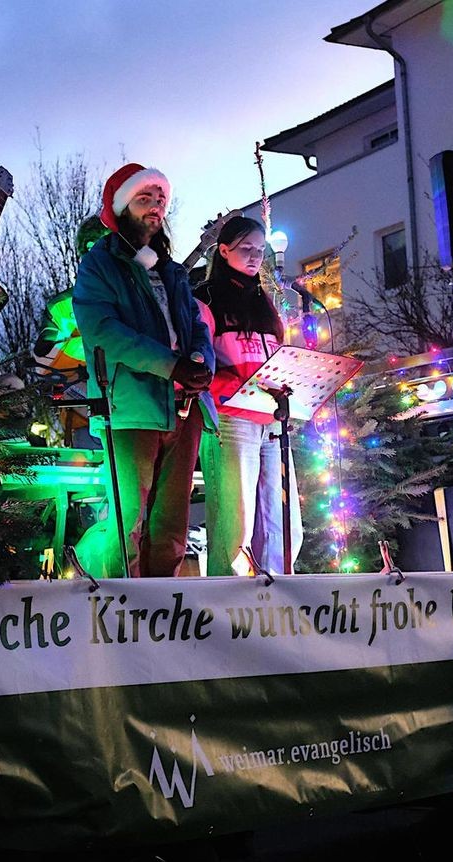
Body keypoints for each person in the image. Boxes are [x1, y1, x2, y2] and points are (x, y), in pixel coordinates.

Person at [72, 163, 215, 577]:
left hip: (183, 407)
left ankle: (163, 611)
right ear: (121, 209)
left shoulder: (171, 271)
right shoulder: (100, 265)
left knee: (172, 520)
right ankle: (120, 613)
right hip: (130, 408)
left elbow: (196, 323)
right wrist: (172, 366)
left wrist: (200, 363)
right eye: (144, 199)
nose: (155, 207)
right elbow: (102, 332)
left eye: (160, 200)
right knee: (127, 519)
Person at [195, 216, 302, 575]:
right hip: (231, 417)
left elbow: (278, 356)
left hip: (270, 418)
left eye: (260, 249)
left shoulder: (265, 302)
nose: (255, 256)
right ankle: (231, 596)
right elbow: (199, 361)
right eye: (246, 248)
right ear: (224, 251)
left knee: (280, 512)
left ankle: (278, 583)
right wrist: (232, 391)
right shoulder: (206, 298)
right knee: (235, 513)